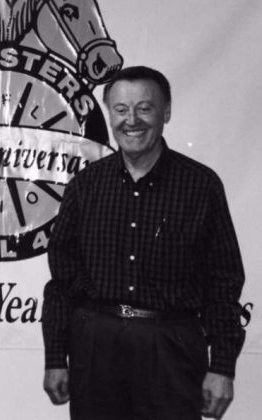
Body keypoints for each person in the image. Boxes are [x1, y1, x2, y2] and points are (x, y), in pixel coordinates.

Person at [42, 66, 245, 420]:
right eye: (120, 109)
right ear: (109, 114)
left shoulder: (201, 186)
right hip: (96, 346)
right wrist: (56, 357)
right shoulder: (85, 186)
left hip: (171, 348)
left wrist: (223, 366)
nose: (131, 120)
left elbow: (223, 282)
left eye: (144, 108)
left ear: (165, 112)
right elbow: (61, 282)